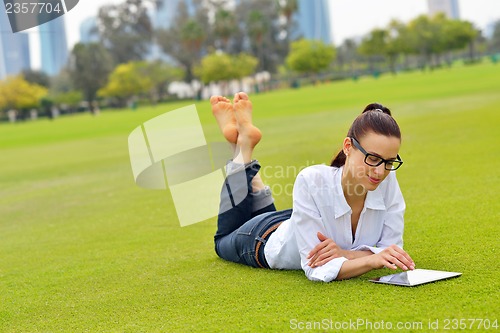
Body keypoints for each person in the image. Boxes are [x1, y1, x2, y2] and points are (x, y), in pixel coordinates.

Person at [212, 92, 415, 282]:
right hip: (264, 238)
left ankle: (240, 146)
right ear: (348, 147)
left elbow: (392, 249)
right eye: (372, 159)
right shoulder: (312, 179)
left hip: (296, 221)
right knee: (222, 241)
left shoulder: (386, 177)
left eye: (389, 162)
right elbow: (316, 268)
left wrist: (345, 255)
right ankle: (242, 148)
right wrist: (371, 259)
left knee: (278, 223)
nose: (380, 172)